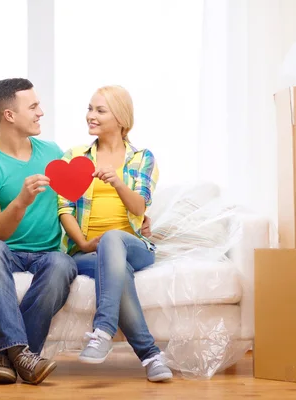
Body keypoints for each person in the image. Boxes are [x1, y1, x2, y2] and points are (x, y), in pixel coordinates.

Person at [0, 78, 78, 385]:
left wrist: (134, 219)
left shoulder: (53, 152)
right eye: (33, 106)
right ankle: (23, 355)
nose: (41, 112)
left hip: (47, 254)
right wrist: (21, 202)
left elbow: (76, 202)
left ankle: (7, 355)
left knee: (62, 264)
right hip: (6, 254)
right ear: (9, 115)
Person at [57, 85, 173, 382]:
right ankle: (151, 356)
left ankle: (104, 329)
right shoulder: (76, 156)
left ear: (121, 118)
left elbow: (139, 204)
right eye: (89, 108)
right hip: (85, 253)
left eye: (99, 110)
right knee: (116, 269)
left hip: (134, 247)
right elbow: (65, 209)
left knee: (112, 238)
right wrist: (82, 242)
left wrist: (118, 182)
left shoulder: (141, 158)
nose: (90, 116)